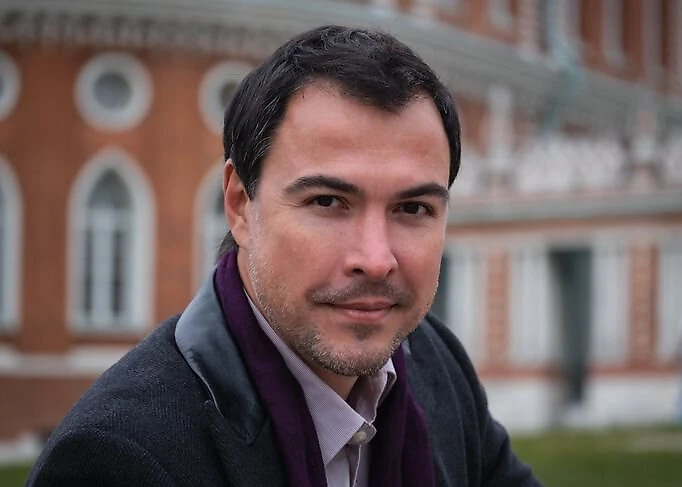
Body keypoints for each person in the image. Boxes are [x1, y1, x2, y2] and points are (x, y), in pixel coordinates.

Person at [27, 25, 542, 486]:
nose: (375, 259)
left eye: (413, 208)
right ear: (239, 204)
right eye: (328, 202)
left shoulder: (435, 363)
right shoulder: (120, 458)